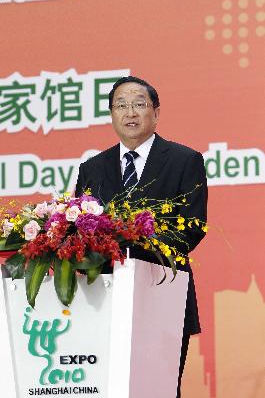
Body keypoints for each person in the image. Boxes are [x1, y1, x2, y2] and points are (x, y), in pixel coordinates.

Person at [75, 75, 208, 398]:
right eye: (121, 105)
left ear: (156, 113)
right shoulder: (92, 167)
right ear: (111, 115)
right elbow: (79, 228)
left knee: (158, 390)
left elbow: (192, 226)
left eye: (138, 104)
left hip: (163, 295)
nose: (130, 113)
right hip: (103, 300)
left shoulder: (184, 160)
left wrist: (132, 243)